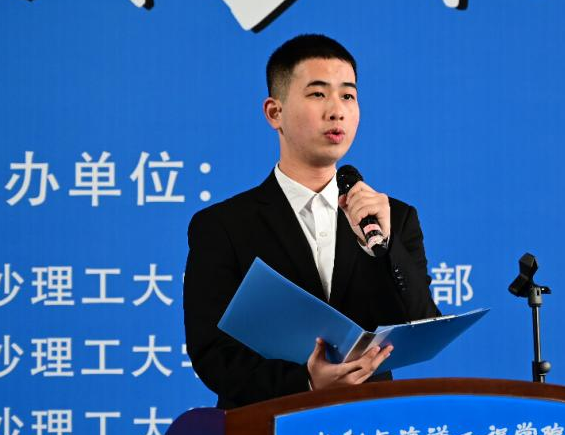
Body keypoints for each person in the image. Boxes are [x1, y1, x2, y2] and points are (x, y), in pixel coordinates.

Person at [183, 34, 441, 412]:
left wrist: (387, 249)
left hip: (367, 429)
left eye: (348, 95)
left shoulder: (393, 218)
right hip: (265, 429)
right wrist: (306, 382)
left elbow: (422, 325)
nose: (336, 110)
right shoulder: (223, 226)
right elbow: (212, 353)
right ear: (275, 113)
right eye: (318, 94)